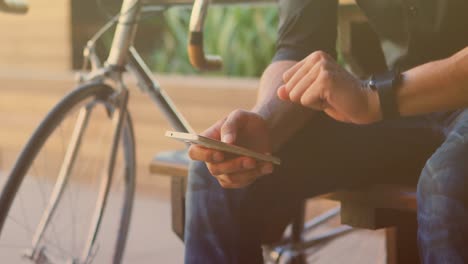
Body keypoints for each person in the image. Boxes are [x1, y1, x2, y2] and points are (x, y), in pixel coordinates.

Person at [184, 1, 468, 263]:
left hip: (413, 100)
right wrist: (266, 124)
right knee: (216, 175)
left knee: (446, 181)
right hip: (398, 107)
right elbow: (299, 47)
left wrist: (374, 98)